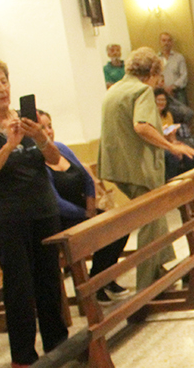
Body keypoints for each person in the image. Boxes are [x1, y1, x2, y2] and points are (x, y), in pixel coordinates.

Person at [0, 57, 69, 368]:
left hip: (43, 210)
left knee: (50, 280)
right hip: (8, 218)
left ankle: (58, 344)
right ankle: (23, 356)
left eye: (4, 81)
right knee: (20, 287)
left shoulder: (25, 118)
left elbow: (54, 160)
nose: (1, 89)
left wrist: (39, 135)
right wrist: (9, 145)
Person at [98, 47, 194, 291]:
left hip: (116, 165)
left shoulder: (115, 90)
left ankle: (159, 270)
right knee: (151, 219)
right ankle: (148, 286)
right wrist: (170, 146)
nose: (158, 81)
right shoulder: (141, 90)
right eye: (158, 75)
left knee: (156, 215)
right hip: (136, 168)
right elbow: (142, 126)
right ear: (152, 72)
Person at [37, 111, 130, 305]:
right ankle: (96, 284)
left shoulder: (61, 148)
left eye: (50, 125)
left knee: (120, 226)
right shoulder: (36, 161)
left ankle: (103, 278)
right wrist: (85, 214)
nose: (48, 131)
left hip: (84, 210)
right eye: (42, 127)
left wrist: (90, 207)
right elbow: (55, 202)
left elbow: (86, 178)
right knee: (98, 232)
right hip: (63, 219)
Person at [153, 87, 194, 180]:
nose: (161, 102)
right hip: (159, 145)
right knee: (173, 157)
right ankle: (173, 185)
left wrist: (175, 142)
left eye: (163, 100)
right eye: (158, 100)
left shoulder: (167, 114)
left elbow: (172, 135)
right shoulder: (151, 116)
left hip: (169, 142)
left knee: (191, 152)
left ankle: (192, 182)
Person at [158, 31, 189, 107]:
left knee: (184, 115)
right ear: (160, 42)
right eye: (164, 40)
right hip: (162, 93)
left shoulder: (179, 57)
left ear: (172, 43)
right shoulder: (156, 59)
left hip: (178, 92)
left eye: (169, 40)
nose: (166, 43)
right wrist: (164, 88)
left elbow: (184, 75)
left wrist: (172, 87)